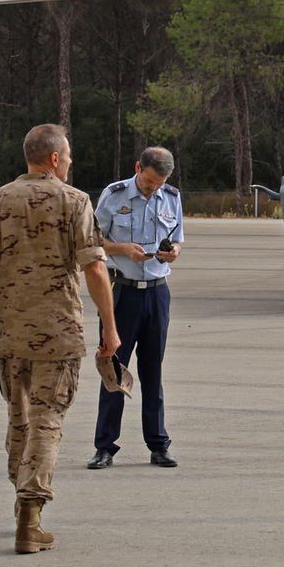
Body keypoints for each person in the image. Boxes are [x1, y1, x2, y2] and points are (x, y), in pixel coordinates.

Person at [0, 124, 118, 554]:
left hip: (11, 333)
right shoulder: (75, 202)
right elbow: (95, 269)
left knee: (19, 417)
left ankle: (20, 502)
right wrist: (109, 325)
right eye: (67, 156)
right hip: (60, 334)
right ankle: (30, 513)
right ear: (54, 159)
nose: (69, 162)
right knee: (47, 420)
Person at [87, 146, 185, 470]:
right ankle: (104, 447)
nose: (153, 188)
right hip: (120, 292)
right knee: (113, 368)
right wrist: (123, 249)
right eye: (148, 182)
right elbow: (93, 239)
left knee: (153, 371)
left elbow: (178, 239)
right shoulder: (114, 195)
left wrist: (173, 253)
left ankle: (158, 445)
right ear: (137, 168)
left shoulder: (171, 196)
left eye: (158, 184)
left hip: (157, 294)